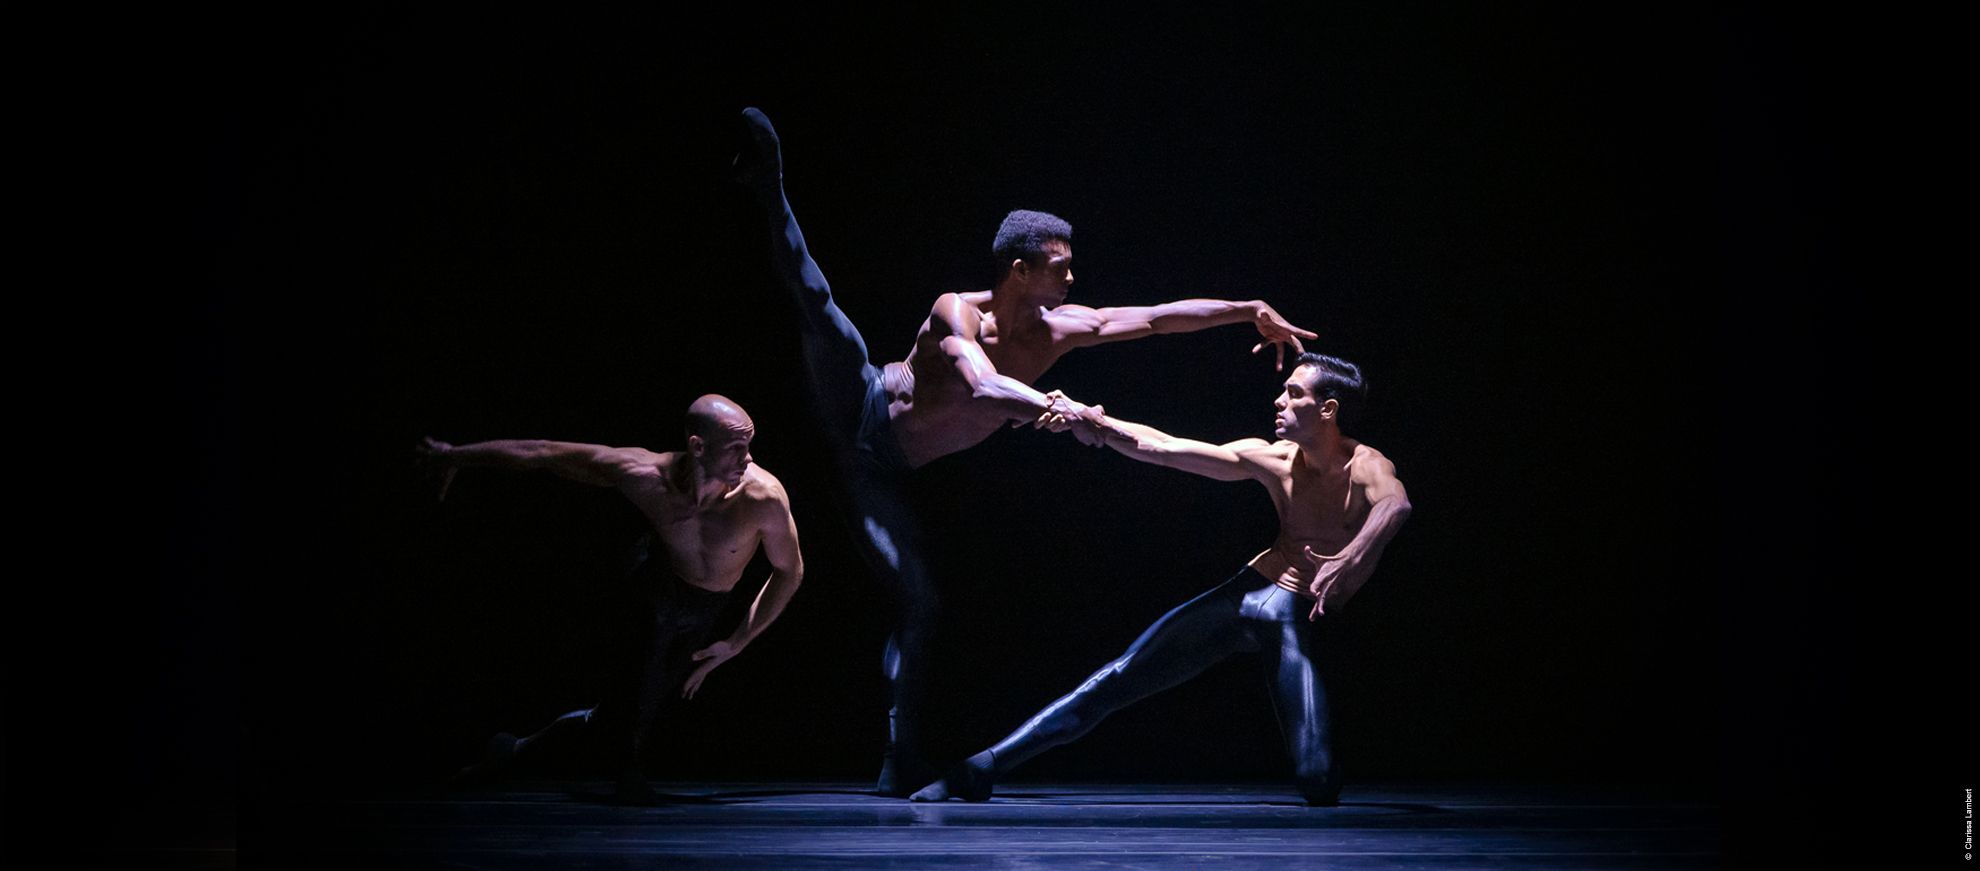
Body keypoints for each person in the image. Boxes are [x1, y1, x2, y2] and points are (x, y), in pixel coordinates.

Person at [733, 107, 1320, 795]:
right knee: (817, 302)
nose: (1072, 281)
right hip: (859, 402)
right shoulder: (956, 311)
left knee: (920, 603)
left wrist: (1246, 308)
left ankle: (898, 759)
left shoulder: (1059, 329)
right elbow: (982, 385)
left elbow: (1156, 319)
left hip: (880, 469)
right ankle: (770, 182)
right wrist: (1056, 409)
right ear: (1020, 269)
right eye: (1059, 269)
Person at [911, 353, 1410, 806]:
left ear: (1328, 410)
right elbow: (1165, 447)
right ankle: (978, 769)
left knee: (1316, 781)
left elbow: (1395, 504)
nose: (1279, 400)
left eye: (1294, 394)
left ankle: (1324, 770)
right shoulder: (1273, 459)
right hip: (1249, 593)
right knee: (1119, 677)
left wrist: (1351, 556)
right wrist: (1092, 419)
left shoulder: (1365, 465)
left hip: (1296, 616)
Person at [420, 394, 805, 803]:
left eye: (749, 446)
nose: (748, 458)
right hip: (654, 581)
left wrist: (736, 642)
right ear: (697, 446)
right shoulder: (645, 475)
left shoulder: (763, 498)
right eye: (736, 448)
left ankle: (513, 751)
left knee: (613, 717)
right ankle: (627, 773)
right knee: (636, 693)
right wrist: (456, 455)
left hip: (703, 607)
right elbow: (544, 453)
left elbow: (790, 571)